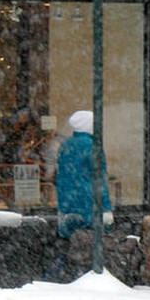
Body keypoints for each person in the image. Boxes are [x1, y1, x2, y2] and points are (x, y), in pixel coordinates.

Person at [50, 109, 113, 280]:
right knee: (90, 247)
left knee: (68, 244)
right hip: (89, 205)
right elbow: (99, 180)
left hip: (67, 205)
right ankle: (86, 279)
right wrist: (106, 208)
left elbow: (60, 176)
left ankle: (57, 275)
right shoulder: (93, 147)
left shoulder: (65, 145)